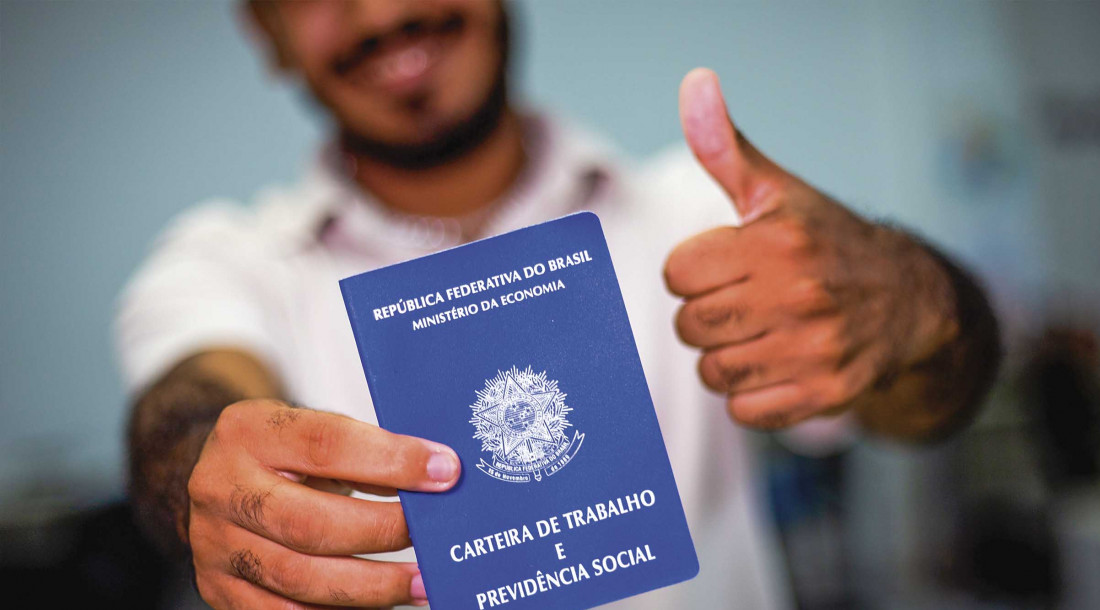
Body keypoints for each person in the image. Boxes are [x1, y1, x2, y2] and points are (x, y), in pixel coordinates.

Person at [116, 1, 1001, 608]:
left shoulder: (703, 220)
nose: (382, 13)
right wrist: (212, 470)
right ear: (265, 32)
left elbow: (927, 408)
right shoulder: (226, 262)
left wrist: (917, 304)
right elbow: (187, 407)